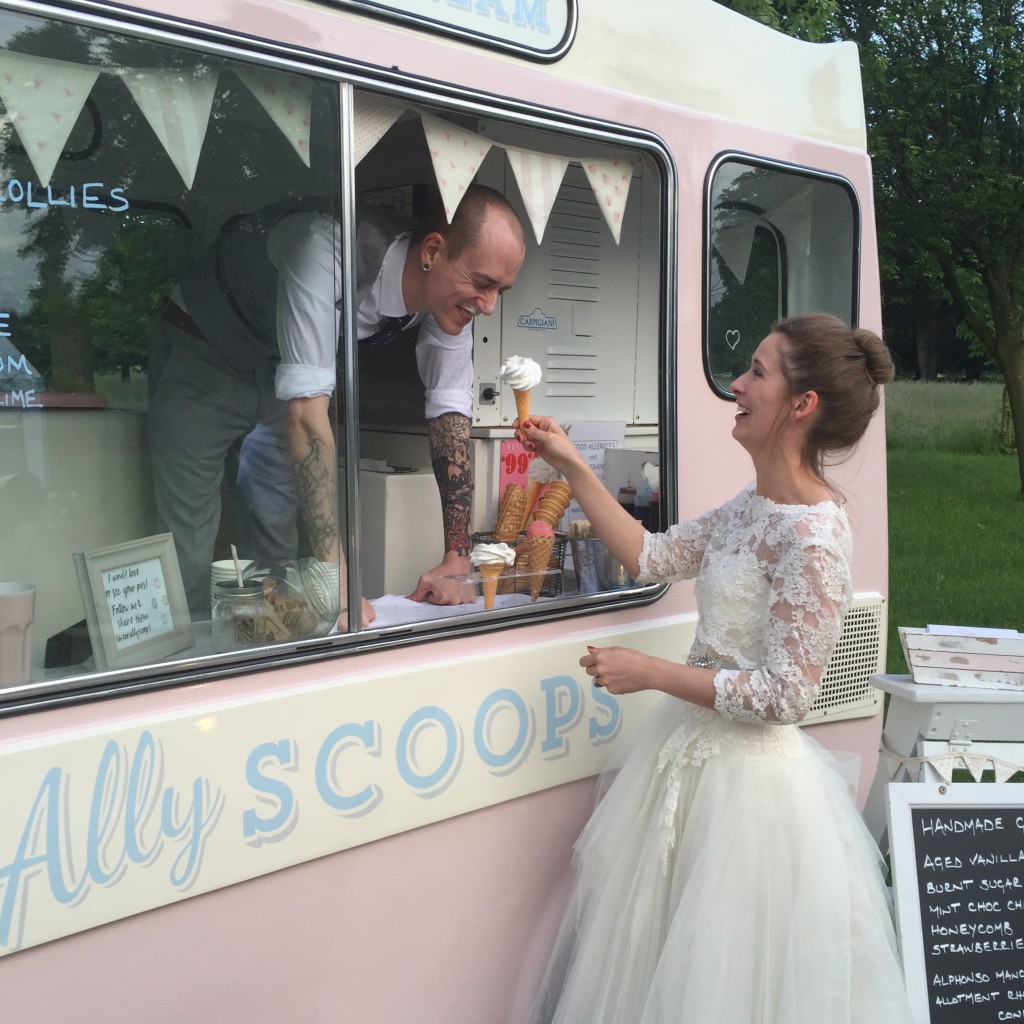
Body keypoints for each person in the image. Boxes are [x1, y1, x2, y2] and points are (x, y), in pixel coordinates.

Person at [517, 313, 915, 1023]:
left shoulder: (815, 538)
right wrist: (570, 462)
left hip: (750, 800)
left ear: (802, 405)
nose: (736, 383)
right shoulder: (753, 508)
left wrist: (651, 671)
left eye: (757, 371)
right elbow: (652, 556)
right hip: (685, 767)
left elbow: (787, 694)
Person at [148, 185, 526, 624]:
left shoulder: (447, 299)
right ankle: (186, 667)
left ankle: (270, 645)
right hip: (203, 346)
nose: (489, 305)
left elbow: (450, 418)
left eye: (503, 290)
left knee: (276, 518)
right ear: (433, 250)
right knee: (189, 533)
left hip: (279, 369)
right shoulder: (325, 249)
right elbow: (307, 420)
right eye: (482, 283)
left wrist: (457, 558)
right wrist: (340, 584)